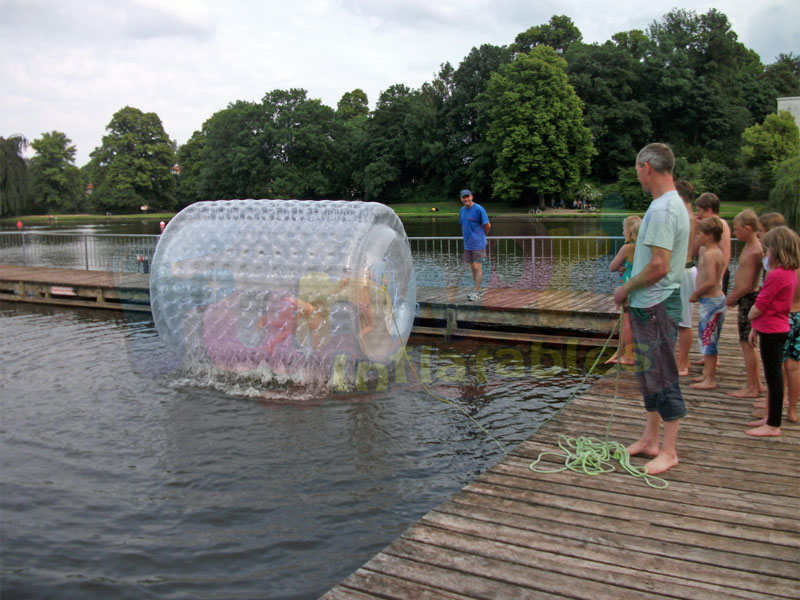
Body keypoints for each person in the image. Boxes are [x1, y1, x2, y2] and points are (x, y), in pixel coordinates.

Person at [613, 143, 690, 475]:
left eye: (637, 171)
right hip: (651, 303)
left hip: (656, 304)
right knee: (648, 373)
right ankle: (650, 439)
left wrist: (625, 288)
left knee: (662, 374)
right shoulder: (672, 204)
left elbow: (659, 265)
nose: (638, 177)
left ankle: (669, 450)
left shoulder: (661, 210)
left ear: (646, 167)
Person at [745, 226, 800, 437]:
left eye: (768, 249)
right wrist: (755, 328)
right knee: (774, 376)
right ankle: (771, 417)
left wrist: (751, 316)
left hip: (773, 330)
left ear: (777, 249)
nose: (766, 253)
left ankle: (773, 424)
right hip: (773, 326)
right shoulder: (788, 272)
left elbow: (761, 303)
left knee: (774, 378)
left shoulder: (777, 274)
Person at [725, 209, 764, 398]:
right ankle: (755, 383)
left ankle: (752, 387)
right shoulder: (750, 248)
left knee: (746, 342)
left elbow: (749, 284)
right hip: (745, 299)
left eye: (737, 229)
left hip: (748, 299)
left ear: (748, 229)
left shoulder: (754, 251)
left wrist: (731, 297)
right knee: (746, 342)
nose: (734, 233)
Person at [689, 217, 726, 390]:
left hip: (711, 302)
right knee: (707, 338)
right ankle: (706, 375)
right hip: (711, 301)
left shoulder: (711, 255)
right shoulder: (714, 251)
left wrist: (696, 293)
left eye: (699, 234)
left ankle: (710, 379)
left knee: (709, 340)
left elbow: (711, 280)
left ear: (709, 236)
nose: (696, 237)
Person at [606, 215, 641, 365]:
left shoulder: (627, 248)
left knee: (626, 322)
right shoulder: (644, 248)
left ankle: (628, 356)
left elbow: (612, 266)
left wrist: (619, 267)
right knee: (637, 321)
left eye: (623, 229)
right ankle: (631, 352)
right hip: (640, 286)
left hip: (627, 288)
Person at [675, 180, 697, 376]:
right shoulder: (693, 218)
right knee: (682, 319)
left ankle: (682, 364)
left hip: (684, 270)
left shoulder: (684, 218)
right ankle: (684, 360)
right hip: (687, 269)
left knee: (683, 322)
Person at [459, 189, 491, 302]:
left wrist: (483, 237)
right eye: (464, 197)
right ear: (461, 199)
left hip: (478, 244)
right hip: (468, 245)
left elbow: (487, 225)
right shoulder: (462, 210)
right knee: (472, 268)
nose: (466, 199)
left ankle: (476, 292)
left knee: (478, 267)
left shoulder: (479, 209)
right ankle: (476, 289)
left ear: (472, 197)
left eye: (467, 196)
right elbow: (464, 225)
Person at [783, 260, 800, 423]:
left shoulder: (787, 271)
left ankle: (773, 406)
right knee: (795, 366)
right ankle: (792, 410)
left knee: (777, 365)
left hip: (785, 318)